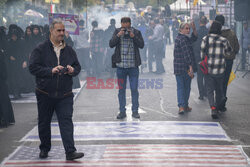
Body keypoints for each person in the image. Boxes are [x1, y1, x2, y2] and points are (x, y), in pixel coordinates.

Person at [29, 20, 84, 160]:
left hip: (65, 94)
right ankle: (44, 149)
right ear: (51, 31)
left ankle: (70, 151)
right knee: (44, 122)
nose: (62, 33)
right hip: (45, 93)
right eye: (59, 30)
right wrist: (50, 70)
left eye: (63, 30)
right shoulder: (40, 48)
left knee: (66, 122)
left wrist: (72, 70)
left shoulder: (69, 49)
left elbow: (78, 67)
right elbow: (33, 67)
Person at [109, 17, 144, 119]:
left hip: (133, 66)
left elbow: (142, 45)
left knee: (134, 90)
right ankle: (122, 112)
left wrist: (133, 36)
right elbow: (111, 44)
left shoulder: (136, 32)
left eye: (127, 25)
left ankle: (135, 111)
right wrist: (118, 35)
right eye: (123, 25)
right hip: (121, 67)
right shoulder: (117, 31)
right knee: (121, 90)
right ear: (121, 24)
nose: (124, 27)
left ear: (130, 24)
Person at [201, 21, 232, 119]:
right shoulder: (224, 40)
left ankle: (213, 107)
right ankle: (220, 100)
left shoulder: (205, 39)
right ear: (219, 29)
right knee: (219, 89)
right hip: (220, 69)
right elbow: (229, 51)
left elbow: (202, 55)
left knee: (210, 90)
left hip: (209, 69)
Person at [215, 15, 240, 111]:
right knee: (225, 82)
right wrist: (233, 53)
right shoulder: (232, 33)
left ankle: (217, 103)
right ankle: (222, 103)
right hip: (229, 61)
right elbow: (237, 47)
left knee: (217, 81)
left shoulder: (216, 34)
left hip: (218, 60)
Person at [173, 22, 197, 114]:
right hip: (184, 67)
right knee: (184, 87)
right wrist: (191, 67)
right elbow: (186, 54)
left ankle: (184, 106)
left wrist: (194, 29)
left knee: (184, 87)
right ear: (181, 29)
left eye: (189, 28)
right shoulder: (183, 39)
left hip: (179, 67)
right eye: (186, 28)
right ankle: (182, 106)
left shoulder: (182, 38)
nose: (188, 30)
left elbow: (194, 39)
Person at [193, 16, 209, 100]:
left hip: (198, 55)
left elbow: (193, 43)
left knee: (200, 75)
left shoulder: (197, 32)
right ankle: (206, 92)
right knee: (206, 74)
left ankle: (201, 94)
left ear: (199, 22)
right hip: (206, 55)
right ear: (206, 22)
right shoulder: (208, 32)